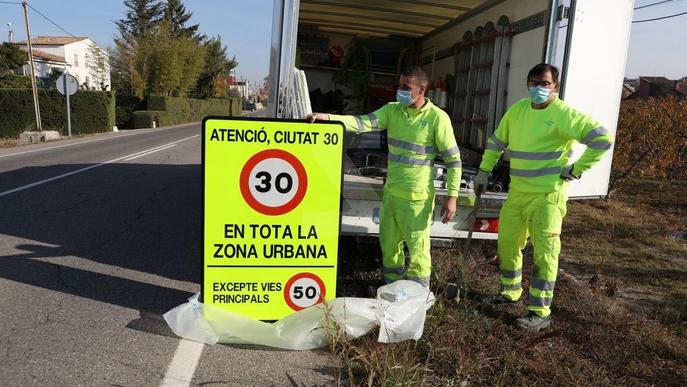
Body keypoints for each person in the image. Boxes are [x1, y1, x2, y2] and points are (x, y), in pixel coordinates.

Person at [473, 63, 613, 331]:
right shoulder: (517, 111)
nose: (538, 88)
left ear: (555, 87)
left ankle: (539, 311)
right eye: (533, 82)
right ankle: (510, 292)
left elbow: (602, 139)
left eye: (544, 84)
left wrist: (577, 170)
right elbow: (496, 143)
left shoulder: (564, 115)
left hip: (547, 198)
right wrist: (483, 171)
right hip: (517, 193)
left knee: (545, 255)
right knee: (507, 245)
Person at [307, 66, 462, 288]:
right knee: (389, 246)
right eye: (399, 86)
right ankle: (392, 290)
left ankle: (417, 299)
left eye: (406, 88)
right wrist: (329, 118)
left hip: (416, 199)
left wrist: (452, 196)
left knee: (418, 250)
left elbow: (453, 160)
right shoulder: (392, 110)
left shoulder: (437, 118)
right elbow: (363, 123)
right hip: (392, 193)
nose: (400, 91)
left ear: (422, 89)